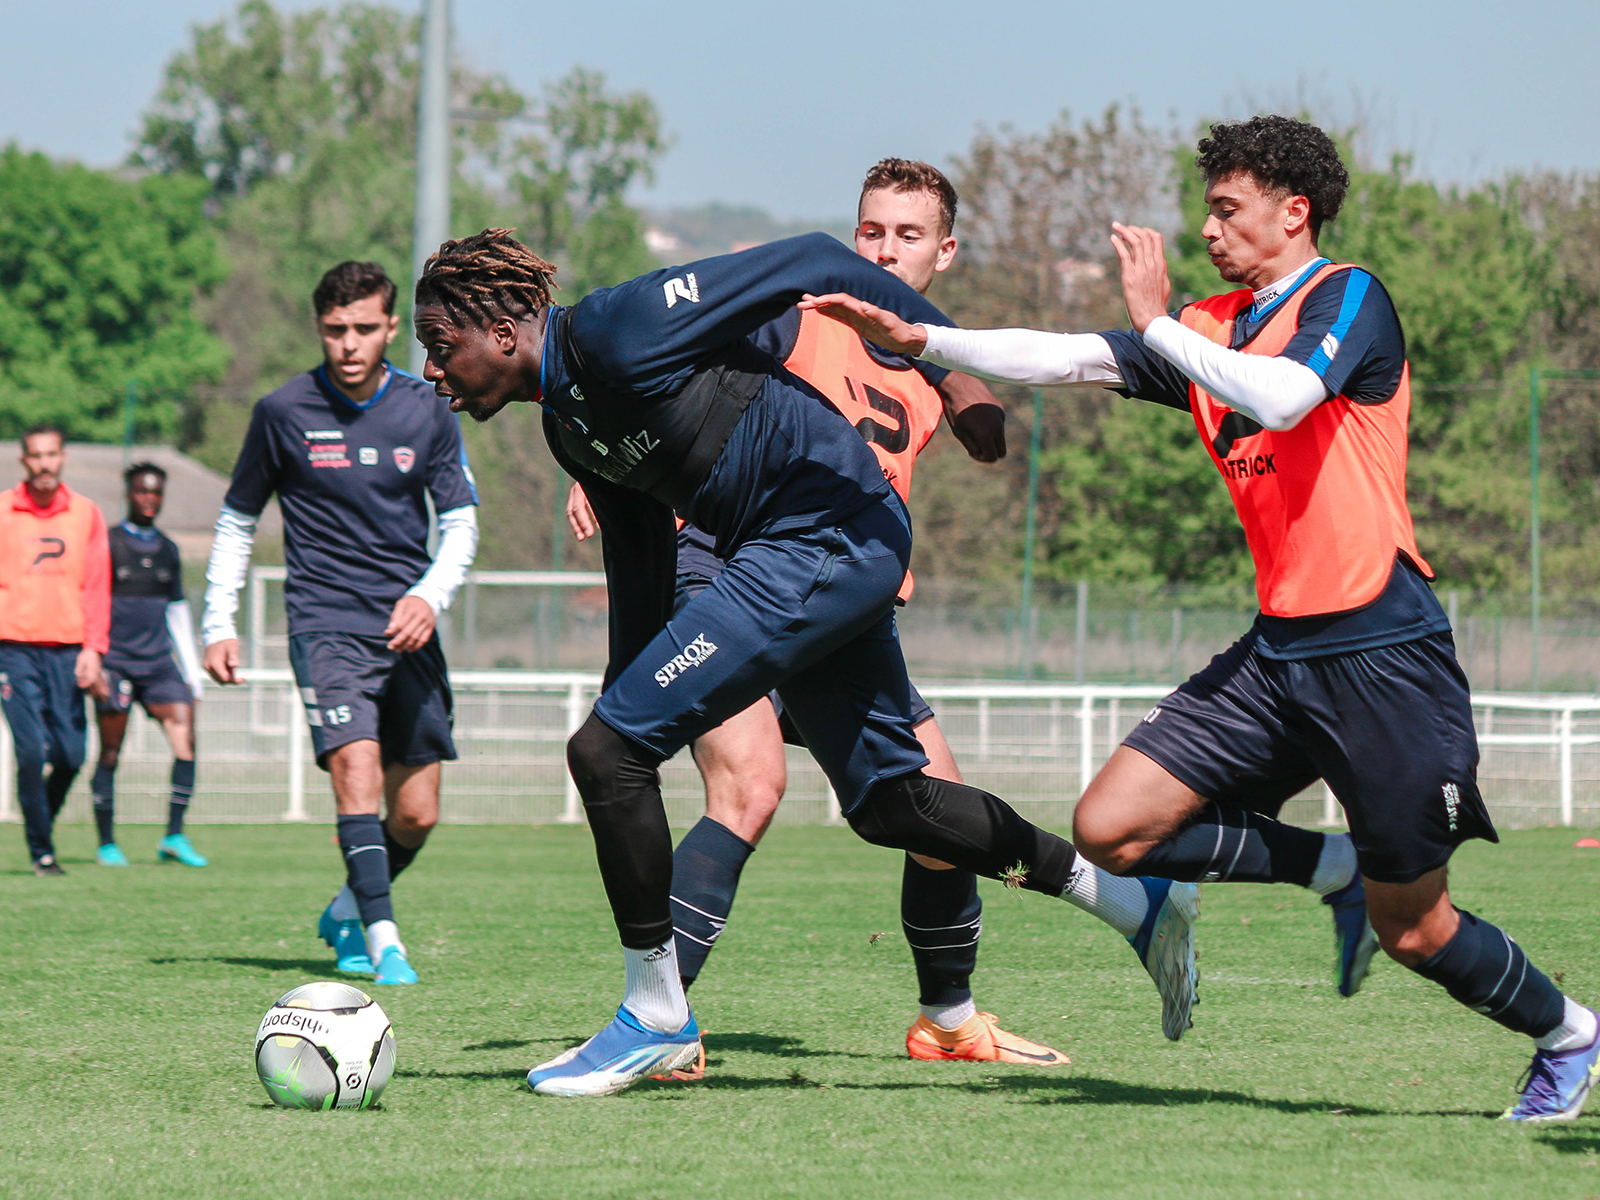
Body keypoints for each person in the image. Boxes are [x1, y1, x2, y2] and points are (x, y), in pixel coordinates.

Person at [802, 114, 1600, 1124]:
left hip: (1385, 654)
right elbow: (1062, 357)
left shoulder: (1348, 295)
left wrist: (1159, 326)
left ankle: (1567, 1033)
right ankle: (1336, 869)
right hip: (1278, 655)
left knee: (1415, 929)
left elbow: (1285, 397)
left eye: (1227, 209)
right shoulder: (1207, 324)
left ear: (1293, 212)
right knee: (1111, 828)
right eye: (1207, 209)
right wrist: (921, 339)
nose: (1209, 229)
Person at [412, 226, 1198, 1099]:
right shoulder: (570, 426)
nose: (433, 371)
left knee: (607, 748)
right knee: (894, 806)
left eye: (440, 346)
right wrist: (628, 710)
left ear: (504, 332)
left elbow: (816, 258)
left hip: (825, 534)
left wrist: (945, 364)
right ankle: (1138, 904)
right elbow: (640, 562)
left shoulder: (619, 326)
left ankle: (657, 1018)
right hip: (812, 549)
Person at [202, 260, 479, 986]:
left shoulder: (427, 408)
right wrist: (217, 622)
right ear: (319, 328)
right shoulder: (282, 412)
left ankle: (347, 907)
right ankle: (384, 940)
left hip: (407, 626)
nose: (348, 343)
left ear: (390, 327)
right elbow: (236, 522)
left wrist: (429, 597)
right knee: (355, 769)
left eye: (362, 328)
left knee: (416, 814)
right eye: (334, 330)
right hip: (324, 622)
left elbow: (459, 522)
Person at [0, 425, 110, 875]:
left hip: (69, 651)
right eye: (36, 456)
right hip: (14, 649)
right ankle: (41, 851)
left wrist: (94, 649)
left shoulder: (85, 513)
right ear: (23, 460)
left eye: (51, 455)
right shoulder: (3, 511)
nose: (44, 464)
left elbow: (97, 587)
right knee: (31, 752)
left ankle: (39, 817)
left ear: (62, 458)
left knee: (71, 756)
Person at [91, 462, 209, 868]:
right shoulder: (108, 543)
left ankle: (174, 836)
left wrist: (192, 673)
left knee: (186, 741)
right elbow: (91, 601)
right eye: (142, 490)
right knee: (111, 752)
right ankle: (107, 844)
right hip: (116, 663)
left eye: (156, 492)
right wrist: (92, 656)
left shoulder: (168, 549)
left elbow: (177, 610)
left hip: (159, 664)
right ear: (128, 493)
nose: (149, 498)